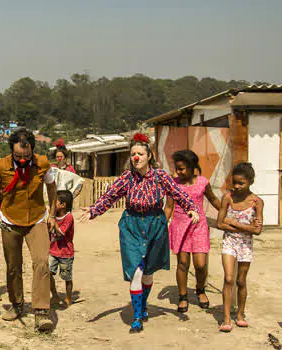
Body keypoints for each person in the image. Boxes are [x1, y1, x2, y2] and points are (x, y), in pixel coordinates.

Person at [80, 133, 200, 333]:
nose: (136, 157)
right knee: (136, 270)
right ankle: (137, 316)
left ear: (149, 155)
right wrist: (93, 210)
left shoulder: (161, 176)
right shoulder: (127, 178)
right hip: (132, 226)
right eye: (133, 154)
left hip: (155, 225)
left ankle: (143, 304)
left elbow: (177, 193)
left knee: (148, 272)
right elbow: (109, 196)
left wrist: (190, 207)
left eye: (140, 154)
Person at [0, 128, 57, 332]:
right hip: (9, 220)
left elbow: (51, 186)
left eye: (26, 155)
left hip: (37, 219)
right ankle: (16, 305)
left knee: (41, 262)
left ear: (32, 150)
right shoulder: (0, 165)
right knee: (13, 266)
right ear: (11, 152)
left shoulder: (42, 164)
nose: (23, 159)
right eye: (18, 156)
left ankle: (41, 312)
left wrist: (52, 214)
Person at [164, 150, 221, 313]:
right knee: (182, 263)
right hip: (180, 226)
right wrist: (160, 225)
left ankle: (200, 290)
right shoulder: (173, 184)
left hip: (199, 226)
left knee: (201, 265)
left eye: (181, 168)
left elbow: (214, 200)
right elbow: (169, 207)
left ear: (191, 167)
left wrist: (227, 213)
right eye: (176, 168)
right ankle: (183, 296)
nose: (178, 172)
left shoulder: (203, 182)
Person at [217, 162, 263, 333]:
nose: (236, 186)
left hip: (246, 245)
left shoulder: (257, 202)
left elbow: (257, 230)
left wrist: (234, 222)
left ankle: (241, 314)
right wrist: (246, 228)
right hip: (229, 242)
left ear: (250, 181)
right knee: (228, 278)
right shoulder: (227, 198)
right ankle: (227, 318)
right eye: (234, 182)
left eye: (241, 183)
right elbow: (221, 223)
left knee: (241, 281)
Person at [49, 190, 75, 307]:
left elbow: (60, 233)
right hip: (52, 251)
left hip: (65, 253)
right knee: (47, 273)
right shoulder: (53, 216)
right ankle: (54, 295)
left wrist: (53, 223)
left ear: (63, 205)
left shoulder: (68, 217)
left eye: (56, 202)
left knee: (66, 277)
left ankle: (68, 298)